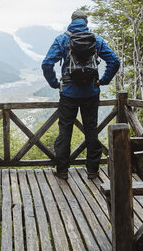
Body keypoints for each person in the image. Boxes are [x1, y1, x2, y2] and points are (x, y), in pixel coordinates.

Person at [42, 9, 120, 180]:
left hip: (68, 93)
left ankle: (62, 169)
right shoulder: (96, 40)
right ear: (86, 22)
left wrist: (56, 84)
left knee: (65, 131)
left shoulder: (63, 39)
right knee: (91, 130)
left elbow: (47, 63)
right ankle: (92, 169)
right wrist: (103, 81)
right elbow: (115, 61)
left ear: (71, 20)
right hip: (91, 93)